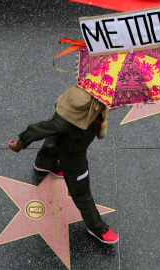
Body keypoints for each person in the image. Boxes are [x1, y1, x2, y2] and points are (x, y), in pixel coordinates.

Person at [9, 85, 118, 244]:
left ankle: (44, 162)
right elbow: (45, 127)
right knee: (81, 191)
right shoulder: (76, 110)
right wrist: (20, 143)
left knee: (55, 140)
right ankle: (96, 227)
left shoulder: (92, 91)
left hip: (70, 136)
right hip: (73, 153)